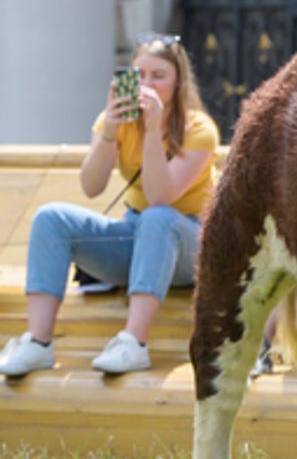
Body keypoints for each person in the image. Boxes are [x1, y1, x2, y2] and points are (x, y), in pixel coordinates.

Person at [0, 35, 219, 377]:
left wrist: (152, 132)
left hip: (191, 244)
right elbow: (91, 187)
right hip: (139, 238)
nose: (147, 84)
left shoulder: (200, 129)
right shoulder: (113, 121)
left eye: (159, 76)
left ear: (178, 83)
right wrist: (108, 134)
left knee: (158, 217)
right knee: (51, 217)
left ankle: (134, 343)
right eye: (139, 75)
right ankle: (38, 343)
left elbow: (161, 196)